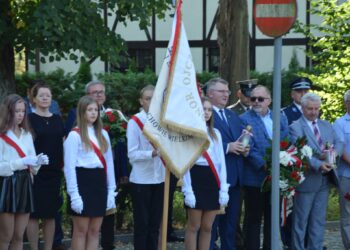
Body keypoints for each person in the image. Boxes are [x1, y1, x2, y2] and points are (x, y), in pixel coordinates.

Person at [289, 93, 342, 250]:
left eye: (316, 109)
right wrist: (319, 164)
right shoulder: (295, 127)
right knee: (300, 222)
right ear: (303, 108)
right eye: (310, 109)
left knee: (318, 222)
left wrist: (334, 154)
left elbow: (338, 142)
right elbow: (299, 152)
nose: (314, 112)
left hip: (324, 181)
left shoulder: (326, 125)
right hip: (306, 181)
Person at [63, 96, 117, 250]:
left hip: (99, 183)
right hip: (82, 183)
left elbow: (109, 164)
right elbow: (69, 168)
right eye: (89, 110)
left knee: (94, 231)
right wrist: (74, 194)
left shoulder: (103, 134)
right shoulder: (74, 136)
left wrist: (111, 191)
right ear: (82, 112)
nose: (94, 113)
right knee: (81, 231)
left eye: (96, 110)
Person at [240, 85, 289, 250]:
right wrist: (266, 166)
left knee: (272, 218)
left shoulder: (280, 117)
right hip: (255, 177)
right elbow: (248, 148)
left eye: (260, 99)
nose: (256, 102)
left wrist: (283, 165)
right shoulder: (244, 119)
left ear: (269, 100)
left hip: (277, 177)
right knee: (253, 218)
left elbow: (286, 142)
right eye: (253, 98)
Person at [0, 94, 48, 250]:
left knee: (19, 236)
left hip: (25, 183)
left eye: (22, 111)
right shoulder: (1, 135)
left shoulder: (27, 135)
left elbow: (33, 168)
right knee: (6, 236)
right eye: (16, 111)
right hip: (6, 185)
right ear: (8, 111)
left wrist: (38, 162)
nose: (20, 114)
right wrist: (20, 162)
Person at [206, 78, 248, 250]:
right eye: (221, 91)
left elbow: (240, 140)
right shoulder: (206, 114)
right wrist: (226, 147)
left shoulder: (232, 115)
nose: (226, 94)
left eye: (227, 91)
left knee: (230, 225)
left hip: (236, 178)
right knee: (211, 225)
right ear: (210, 94)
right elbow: (202, 143)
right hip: (215, 178)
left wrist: (246, 149)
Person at [182, 97, 229, 250]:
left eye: (210, 110)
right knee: (193, 226)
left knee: (208, 227)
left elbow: (221, 162)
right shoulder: (188, 133)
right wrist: (187, 189)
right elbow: (185, 164)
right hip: (195, 177)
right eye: (204, 109)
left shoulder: (215, 133)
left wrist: (223, 188)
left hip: (212, 178)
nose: (207, 112)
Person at [25, 83, 64, 250]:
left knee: (50, 215)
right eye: (41, 95)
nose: (45, 98)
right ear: (33, 99)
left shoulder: (57, 119)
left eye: (48, 95)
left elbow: (62, 143)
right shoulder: (29, 119)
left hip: (54, 173)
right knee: (33, 215)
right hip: (35, 173)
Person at [127, 85, 165, 250]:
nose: (151, 101)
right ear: (141, 101)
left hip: (161, 177)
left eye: (154, 98)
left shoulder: (164, 120)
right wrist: (152, 154)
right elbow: (132, 154)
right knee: (142, 224)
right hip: (142, 179)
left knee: (155, 224)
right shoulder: (135, 122)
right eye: (148, 98)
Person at [280, 77, 312, 249]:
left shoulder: (315, 111)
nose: (303, 94)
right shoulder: (285, 113)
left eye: (306, 91)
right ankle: (289, 242)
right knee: (290, 209)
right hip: (292, 167)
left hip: (312, 168)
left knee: (308, 210)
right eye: (300, 91)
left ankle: (308, 241)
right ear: (293, 94)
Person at [333, 90, 350, 249]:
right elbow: (340, 148)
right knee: (348, 214)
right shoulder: (339, 123)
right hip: (347, 176)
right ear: (347, 103)